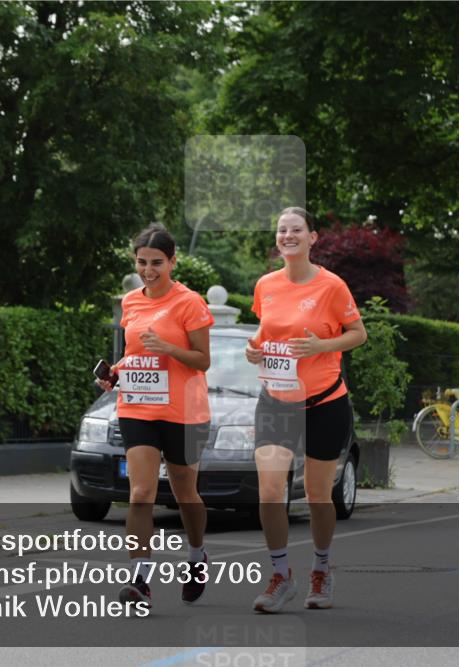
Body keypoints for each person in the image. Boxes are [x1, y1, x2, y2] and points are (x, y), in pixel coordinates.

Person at [244, 207, 367, 613]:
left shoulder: (332, 286)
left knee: (318, 495)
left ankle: (322, 567)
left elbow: (357, 334)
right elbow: (266, 333)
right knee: (270, 491)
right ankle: (281, 575)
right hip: (276, 401)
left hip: (324, 402)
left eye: (296, 229)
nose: (288, 235)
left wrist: (321, 347)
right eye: (282, 230)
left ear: (313, 237)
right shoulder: (266, 285)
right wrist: (254, 350)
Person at [97, 224, 214, 609]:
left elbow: (203, 360)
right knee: (141, 493)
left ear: (173, 261)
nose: (149, 270)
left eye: (157, 263)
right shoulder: (130, 302)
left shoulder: (190, 302)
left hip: (183, 410)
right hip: (137, 406)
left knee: (185, 494)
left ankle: (197, 557)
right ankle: (140, 580)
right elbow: (134, 355)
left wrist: (167, 346)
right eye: (142, 262)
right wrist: (114, 373)